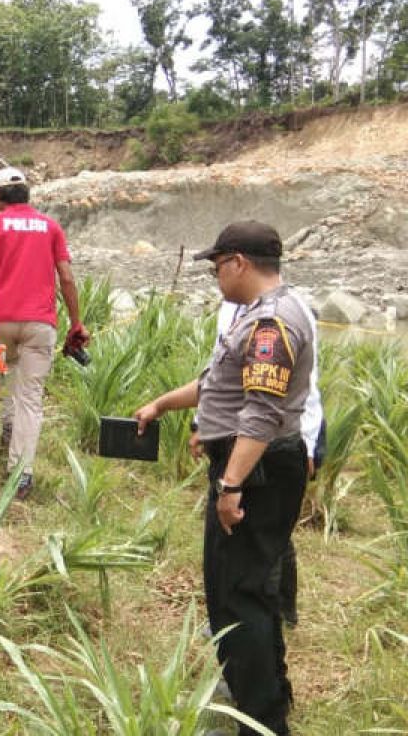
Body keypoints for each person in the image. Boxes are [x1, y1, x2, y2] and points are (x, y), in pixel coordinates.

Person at [135, 221, 316, 736]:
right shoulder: (264, 314)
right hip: (255, 467)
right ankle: (266, 701)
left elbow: (260, 412)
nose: (216, 277)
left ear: (238, 262)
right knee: (245, 589)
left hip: (256, 473)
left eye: (217, 267)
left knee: (240, 594)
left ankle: (258, 721)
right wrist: (163, 404)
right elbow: (218, 383)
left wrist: (231, 485)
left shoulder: (270, 324)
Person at [194, 298, 326, 629]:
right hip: (241, 431)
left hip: (283, 436)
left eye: (220, 266)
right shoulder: (232, 309)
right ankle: (252, 615)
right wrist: (202, 423)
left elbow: (301, 388)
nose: (217, 277)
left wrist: (307, 444)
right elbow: (221, 377)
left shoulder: (281, 313)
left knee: (268, 531)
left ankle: (273, 613)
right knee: (254, 530)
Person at [0, 166, 89, 499]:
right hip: (41, 323)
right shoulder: (51, 227)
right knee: (30, 395)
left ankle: (9, 434)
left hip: (0, 320)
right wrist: (76, 322)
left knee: (10, 376)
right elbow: (66, 277)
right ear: (27, 194)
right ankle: (20, 474)